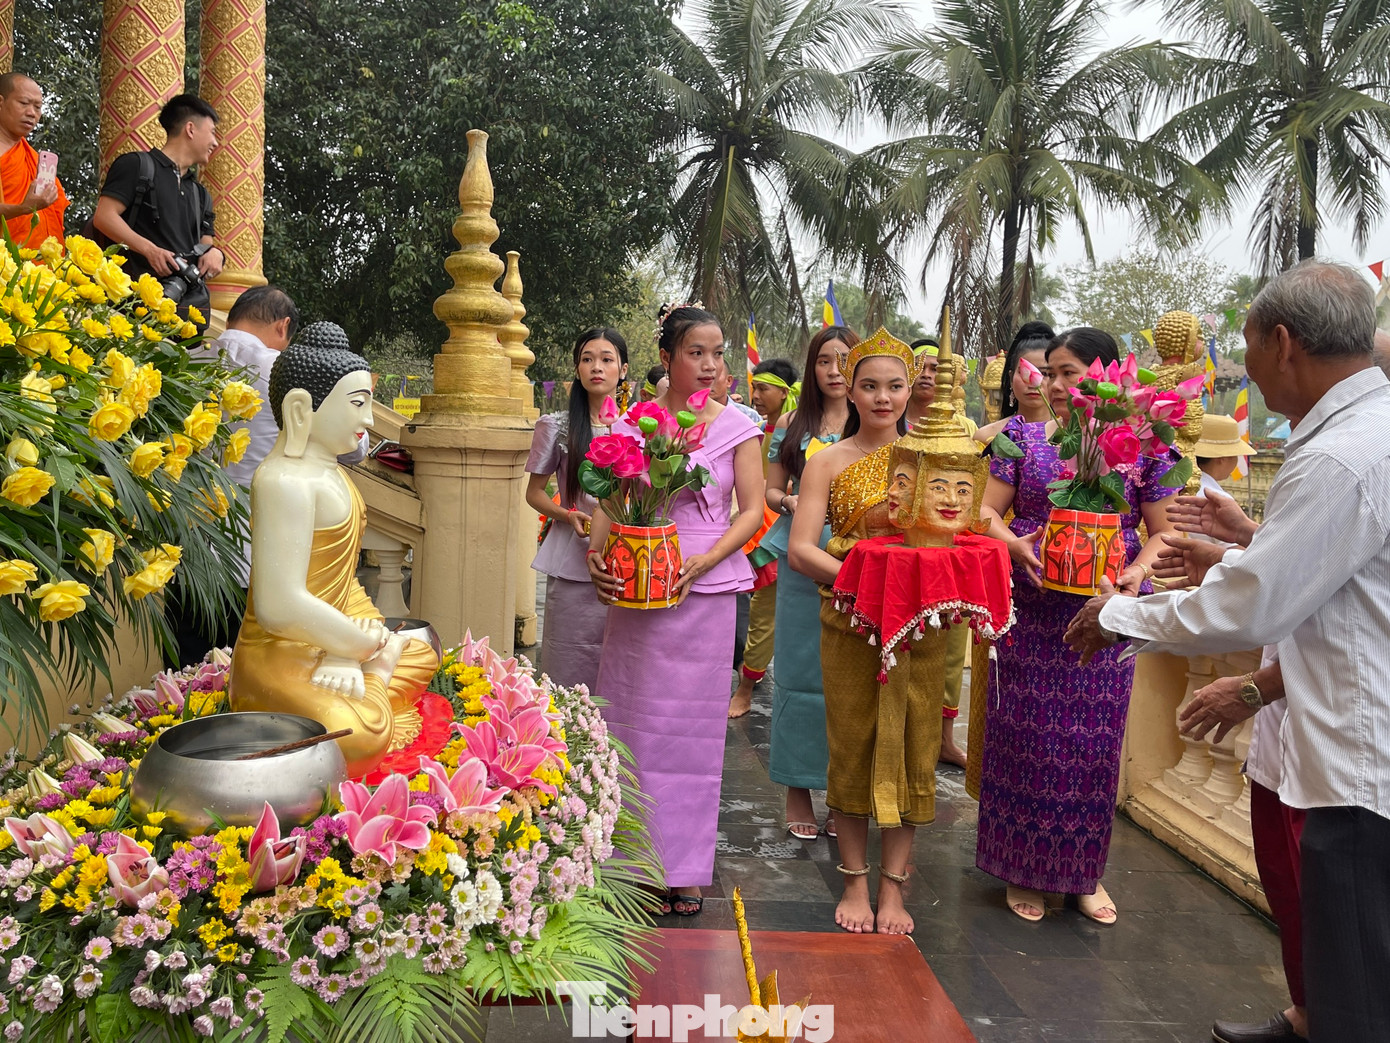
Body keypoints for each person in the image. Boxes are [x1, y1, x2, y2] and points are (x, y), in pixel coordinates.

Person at [1065, 263, 1390, 1042]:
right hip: (1351, 740)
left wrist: (1119, 614)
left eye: (1241, 346)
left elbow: (1255, 606)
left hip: (1358, 763)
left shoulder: (1340, 456)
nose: (1237, 366)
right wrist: (1241, 552)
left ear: (1282, 344)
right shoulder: (1366, 434)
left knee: (1358, 1002)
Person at [977, 326, 1180, 924]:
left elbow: (1165, 530)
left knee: (1093, 747)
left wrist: (1135, 574)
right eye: (1052, 372)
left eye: (1072, 374)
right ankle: (1023, 869)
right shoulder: (1023, 439)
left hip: (1107, 614)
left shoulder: (1146, 450)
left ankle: (1085, 873)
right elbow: (984, 510)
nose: (1058, 385)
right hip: (1033, 608)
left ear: (1110, 380)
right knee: (1028, 738)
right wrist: (1014, 544)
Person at [587, 306, 764, 917]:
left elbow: (750, 509)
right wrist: (596, 551)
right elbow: (612, 492)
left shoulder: (739, 426)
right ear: (666, 358)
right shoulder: (636, 421)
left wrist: (706, 561)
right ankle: (624, 863)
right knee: (630, 726)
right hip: (638, 584)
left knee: (692, 736)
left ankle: (684, 868)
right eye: (696, 352)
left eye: (718, 353)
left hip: (705, 592)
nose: (710, 365)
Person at [228, 331, 439, 779]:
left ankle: (371, 678)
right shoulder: (284, 480)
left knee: (423, 654)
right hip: (280, 651)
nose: (366, 418)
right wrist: (364, 647)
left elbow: (342, 585)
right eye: (357, 403)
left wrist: (356, 645)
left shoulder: (336, 475)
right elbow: (278, 606)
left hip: (338, 637)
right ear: (302, 409)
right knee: (354, 737)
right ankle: (377, 680)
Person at [788, 328, 917, 934]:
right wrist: (866, 583)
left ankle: (895, 891)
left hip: (919, 623)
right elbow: (800, 551)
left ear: (910, 389)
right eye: (870, 385)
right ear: (852, 389)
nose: (882, 397)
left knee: (911, 745)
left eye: (894, 386)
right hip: (851, 619)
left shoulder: (931, 463)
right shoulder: (826, 462)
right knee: (854, 744)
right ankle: (855, 885)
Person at [760, 326, 855, 830]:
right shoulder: (795, 424)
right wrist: (793, 501)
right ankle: (797, 789)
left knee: (852, 678)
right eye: (824, 361)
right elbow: (771, 492)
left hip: (861, 562)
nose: (835, 370)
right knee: (800, 672)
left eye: (844, 360)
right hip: (802, 555)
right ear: (812, 369)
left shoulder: (881, 424)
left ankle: (843, 794)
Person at [964, 321, 1054, 796]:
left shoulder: (1086, 437)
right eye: (1028, 370)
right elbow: (974, 509)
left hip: (1062, 572)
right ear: (1010, 377)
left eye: (1049, 371)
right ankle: (988, 786)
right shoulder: (991, 437)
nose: (1038, 380)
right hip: (1000, 566)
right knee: (997, 691)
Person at [525, 328, 628, 694]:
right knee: (567, 662)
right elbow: (534, 494)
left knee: (621, 662)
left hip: (627, 557)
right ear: (577, 369)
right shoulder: (555, 427)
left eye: (606, 359)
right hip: (573, 555)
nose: (595, 367)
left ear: (623, 369)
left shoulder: (639, 430)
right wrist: (568, 515)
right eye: (587, 359)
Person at [93, 94, 224, 325]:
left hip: (178, 313)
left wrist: (216, 254)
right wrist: (150, 250)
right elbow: (104, 217)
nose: (216, 142)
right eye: (212, 132)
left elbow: (205, 245)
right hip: (128, 305)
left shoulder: (201, 194)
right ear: (190, 129)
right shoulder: (137, 165)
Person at [728, 357, 801, 719]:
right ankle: (745, 687)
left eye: (763, 388)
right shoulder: (752, 430)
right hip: (759, 531)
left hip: (792, 529)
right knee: (762, 614)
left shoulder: (803, 431)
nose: (755, 395)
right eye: (753, 387)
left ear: (784, 392)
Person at [0, 73, 67, 247]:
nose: (31, 113)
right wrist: (24, 208)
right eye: (23, 103)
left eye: (37, 107)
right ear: (1, 102)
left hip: (40, 269)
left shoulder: (35, 159)